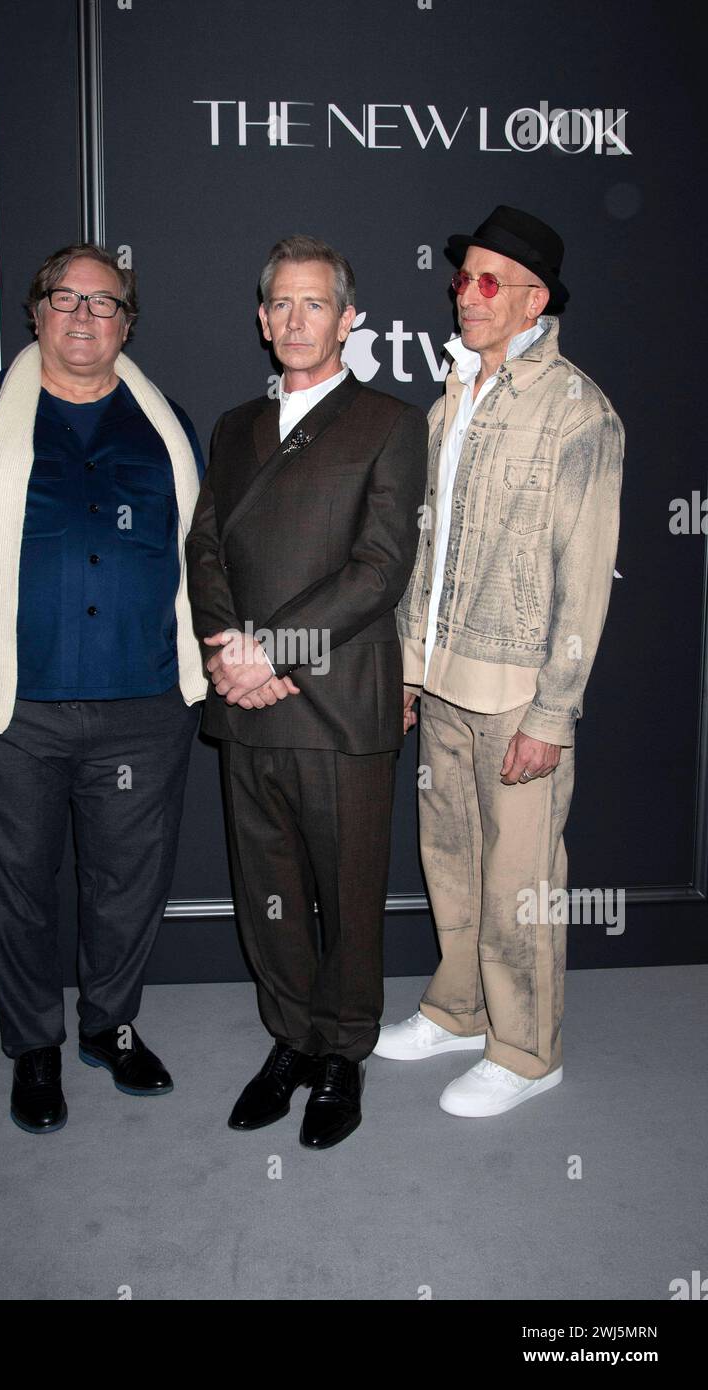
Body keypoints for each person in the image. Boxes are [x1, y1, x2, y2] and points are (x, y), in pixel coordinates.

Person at [0, 243, 207, 1133]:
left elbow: (203, 556)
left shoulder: (167, 427)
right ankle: (33, 1043)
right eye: (64, 299)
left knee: (127, 885)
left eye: (102, 302)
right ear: (34, 313)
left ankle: (109, 1027)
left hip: (145, 706)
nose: (82, 316)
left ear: (127, 323)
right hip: (10, 710)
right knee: (15, 888)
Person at [376, 206, 624, 1117]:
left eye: (488, 281)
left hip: (518, 694)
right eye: (462, 278)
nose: (465, 295)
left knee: (521, 883)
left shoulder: (577, 410)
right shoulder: (451, 403)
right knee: (450, 860)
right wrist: (408, 668)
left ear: (535, 301)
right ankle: (459, 1007)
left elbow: (585, 577)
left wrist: (553, 713)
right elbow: (424, 551)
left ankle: (526, 1051)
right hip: (441, 680)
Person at [186, 235, 428, 1149]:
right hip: (245, 702)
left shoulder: (391, 423)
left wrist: (268, 652)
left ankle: (342, 1056)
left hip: (337, 704)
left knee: (348, 891)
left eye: (314, 304)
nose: (295, 320)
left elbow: (378, 569)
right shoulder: (232, 426)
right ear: (261, 319)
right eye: (280, 304)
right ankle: (289, 1039)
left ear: (348, 318)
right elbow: (204, 547)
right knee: (269, 890)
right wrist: (226, 648)